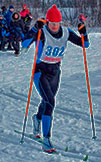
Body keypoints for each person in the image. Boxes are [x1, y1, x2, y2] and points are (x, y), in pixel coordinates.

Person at [21, 5, 90, 153]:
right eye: (51, 23)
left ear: (60, 22)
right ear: (47, 21)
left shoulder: (66, 32)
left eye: (56, 23)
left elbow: (85, 45)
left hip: (55, 71)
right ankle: (46, 140)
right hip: (40, 71)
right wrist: (34, 29)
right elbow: (24, 44)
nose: (54, 26)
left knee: (47, 101)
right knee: (50, 102)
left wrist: (84, 33)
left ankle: (37, 118)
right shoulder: (42, 32)